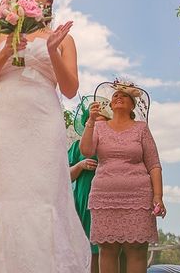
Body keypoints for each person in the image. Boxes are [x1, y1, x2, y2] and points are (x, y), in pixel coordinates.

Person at [0, 0, 90, 272]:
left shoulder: (64, 38)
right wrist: (7, 49)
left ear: (47, 0)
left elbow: (69, 89)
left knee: (42, 191)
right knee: (2, 187)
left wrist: (52, 49)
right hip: (4, 115)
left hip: (43, 117)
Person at [81, 80, 165, 273]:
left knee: (136, 249)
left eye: (124, 95)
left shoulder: (141, 128)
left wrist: (158, 196)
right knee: (107, 249)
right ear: (110, 105)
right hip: (104, 198)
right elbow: (86, 150)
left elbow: (154, 164)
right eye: (115, 96)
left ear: (132, 105)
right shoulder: (99, 127)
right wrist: (91, 122)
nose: (119, 97)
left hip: (138, 198)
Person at [68, 98, 99, 273]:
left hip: (107, 199)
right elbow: (64, 177)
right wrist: (80, 165)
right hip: (83, 202)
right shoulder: (77, 147)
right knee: (85, 249)